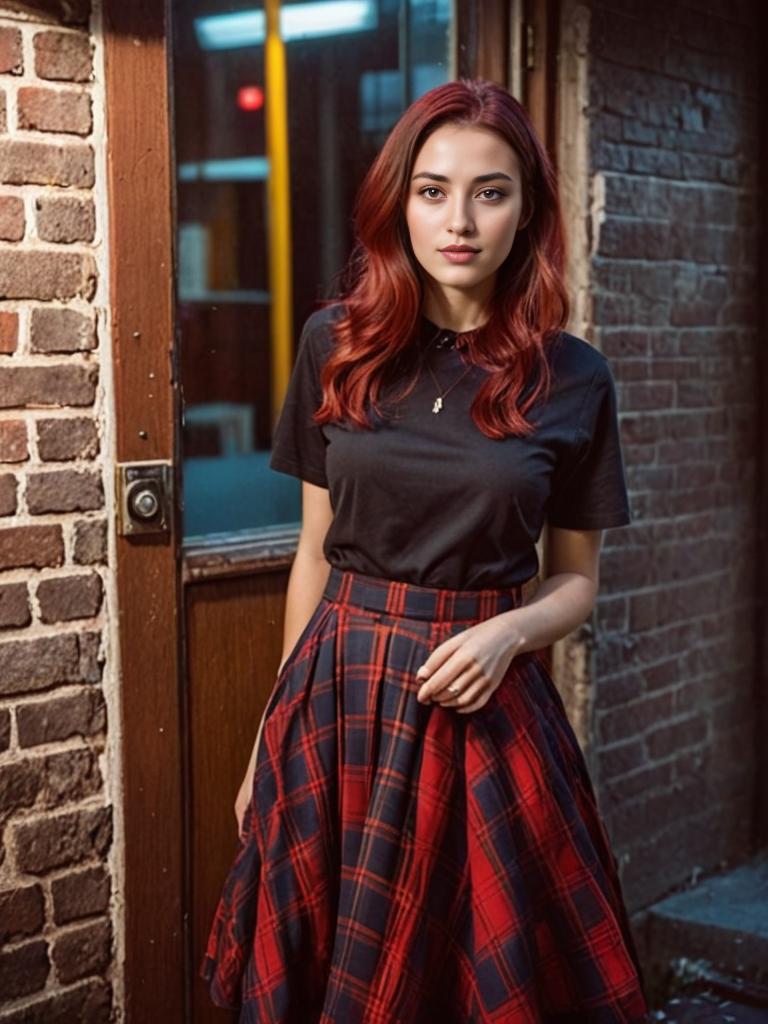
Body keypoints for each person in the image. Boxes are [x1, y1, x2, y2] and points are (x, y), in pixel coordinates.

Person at [200, 78, 651, 1023]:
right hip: (341, 699)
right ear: (398, 199)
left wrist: (510, 635)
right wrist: (266, 740)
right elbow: (314, 555)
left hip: (484, 711)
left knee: (484, 983)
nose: (460, 219)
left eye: (491, 192)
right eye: (433, 189)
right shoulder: (337, 345)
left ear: (527, 211)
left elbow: (576, 582)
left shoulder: (574, 378)